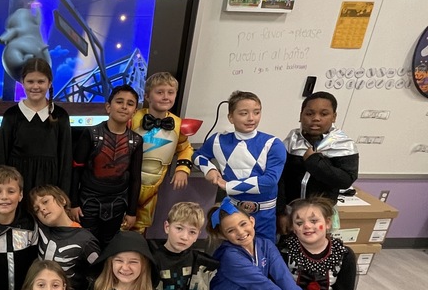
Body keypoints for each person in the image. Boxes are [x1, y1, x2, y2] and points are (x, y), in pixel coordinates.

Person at [194, 90, 286, 243]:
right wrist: (209, 169)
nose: (251, 118)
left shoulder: (273, 144)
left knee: (263, 253)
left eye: (256, 112)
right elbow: (198, 156)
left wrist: (229, 186)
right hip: (232, 212)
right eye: (243, 113)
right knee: (230, 253)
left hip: (264, 214)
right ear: (231, 117)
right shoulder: (218, 140)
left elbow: (269, 181)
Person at [71, 84, 143, 247]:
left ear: (135, 111)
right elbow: (76, 170)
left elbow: (135, 179)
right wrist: (74, 203)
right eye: (119, 101)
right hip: (88, 201)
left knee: (110, 244)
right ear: (108, 107)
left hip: (117, 202)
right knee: (86, 243)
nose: (124, 107)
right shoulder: (91, 134)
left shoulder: (136, 141)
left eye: (130, 104)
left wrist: (132, 212)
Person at [278, 91, 359, 233]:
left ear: (334, 116)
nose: (316, 119)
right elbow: (280, 179)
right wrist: (281, 212)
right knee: (287, 250)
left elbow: (345, 180)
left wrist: (314, 161)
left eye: (324, 114)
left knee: (316, 251)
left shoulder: (344, 145)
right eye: (309, 114)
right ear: (300, 115)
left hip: (321, 214)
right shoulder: (291, 142)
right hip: (291, 212)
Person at [129, 73, 194, 235]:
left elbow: (185, 148)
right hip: (127, 182)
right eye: (160, 92)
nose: (166, 97)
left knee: (142, 225)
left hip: (154, 186)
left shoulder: (179, 124)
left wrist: (182, 169)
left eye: (170, 92)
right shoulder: (133, 118)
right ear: (147, 96)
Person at [0, 58, 72, 196]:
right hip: (17, 188)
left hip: (50, 187)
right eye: (30, 81)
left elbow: (65, 161)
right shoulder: (11, 116)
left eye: (41, 81)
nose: (35, 86)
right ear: (22, 82)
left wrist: (64, 196)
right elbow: (2, 158)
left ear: (49, 83)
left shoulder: (61, 116)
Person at [30, 185, 99, 290]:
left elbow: (99, 276)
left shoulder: (86, 240)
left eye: (45, 201)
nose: (42, 209)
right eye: (37, 209)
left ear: (62, 200)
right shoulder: (39, 230)